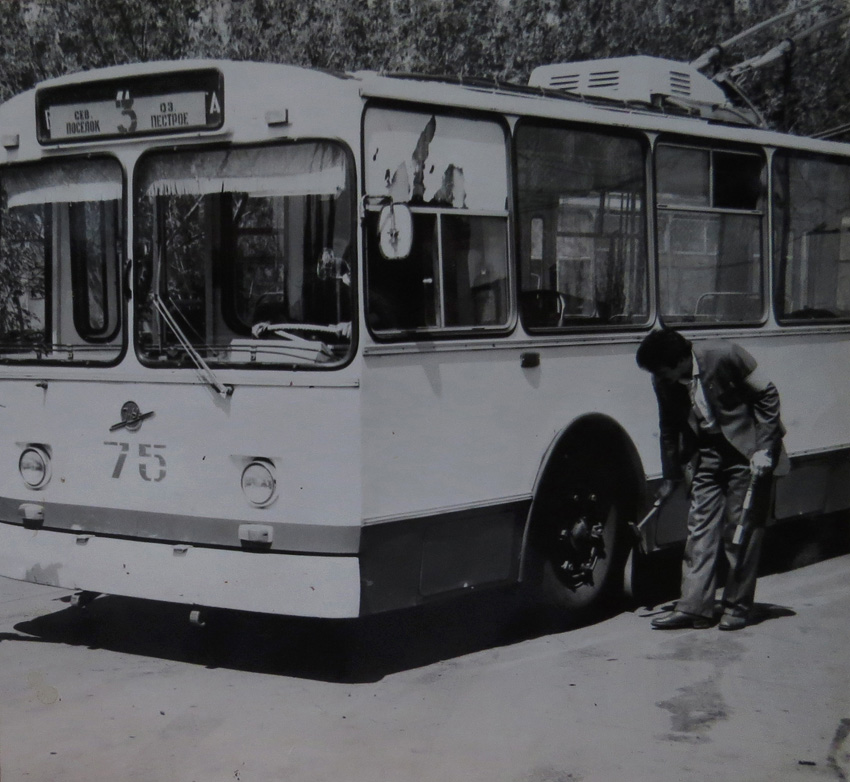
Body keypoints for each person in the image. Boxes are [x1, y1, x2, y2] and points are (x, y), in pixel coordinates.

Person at [635, 328, 788, 630]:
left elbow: (767, 394)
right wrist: (671, 476)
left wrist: (764, 450)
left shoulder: (727, 354)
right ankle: (694, 608)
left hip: (748, 451)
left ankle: (737, 607)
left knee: (740, 531)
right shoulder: (663, 379)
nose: (659, 378)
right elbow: (668, 426)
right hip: (706, 453)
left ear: (680, 360)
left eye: (663, 371)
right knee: (699, 529)